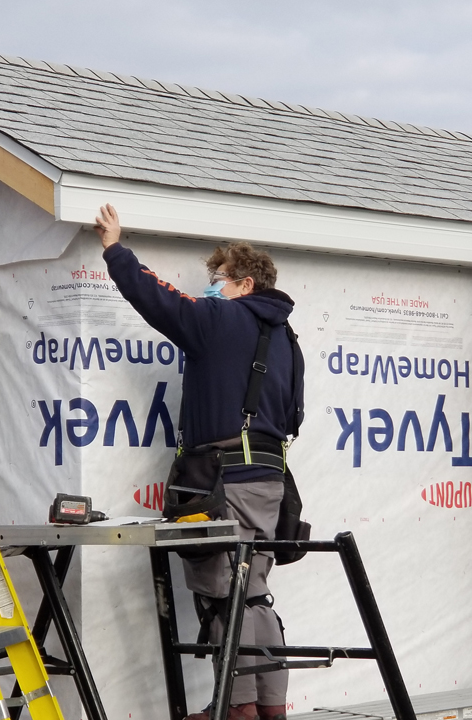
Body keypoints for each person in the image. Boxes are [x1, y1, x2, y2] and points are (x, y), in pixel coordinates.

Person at [95, 205, 303, 720]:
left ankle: (235, 709)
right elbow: (295, 413)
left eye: (217, 280)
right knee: (252, 591)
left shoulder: (222, 319)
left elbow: (158, 299)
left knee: (220, 595)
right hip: (270, 481)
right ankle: (268, 708)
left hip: (224, 480)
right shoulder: (287, 339)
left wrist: (114, 249)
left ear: (244, 283)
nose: (210, 288)